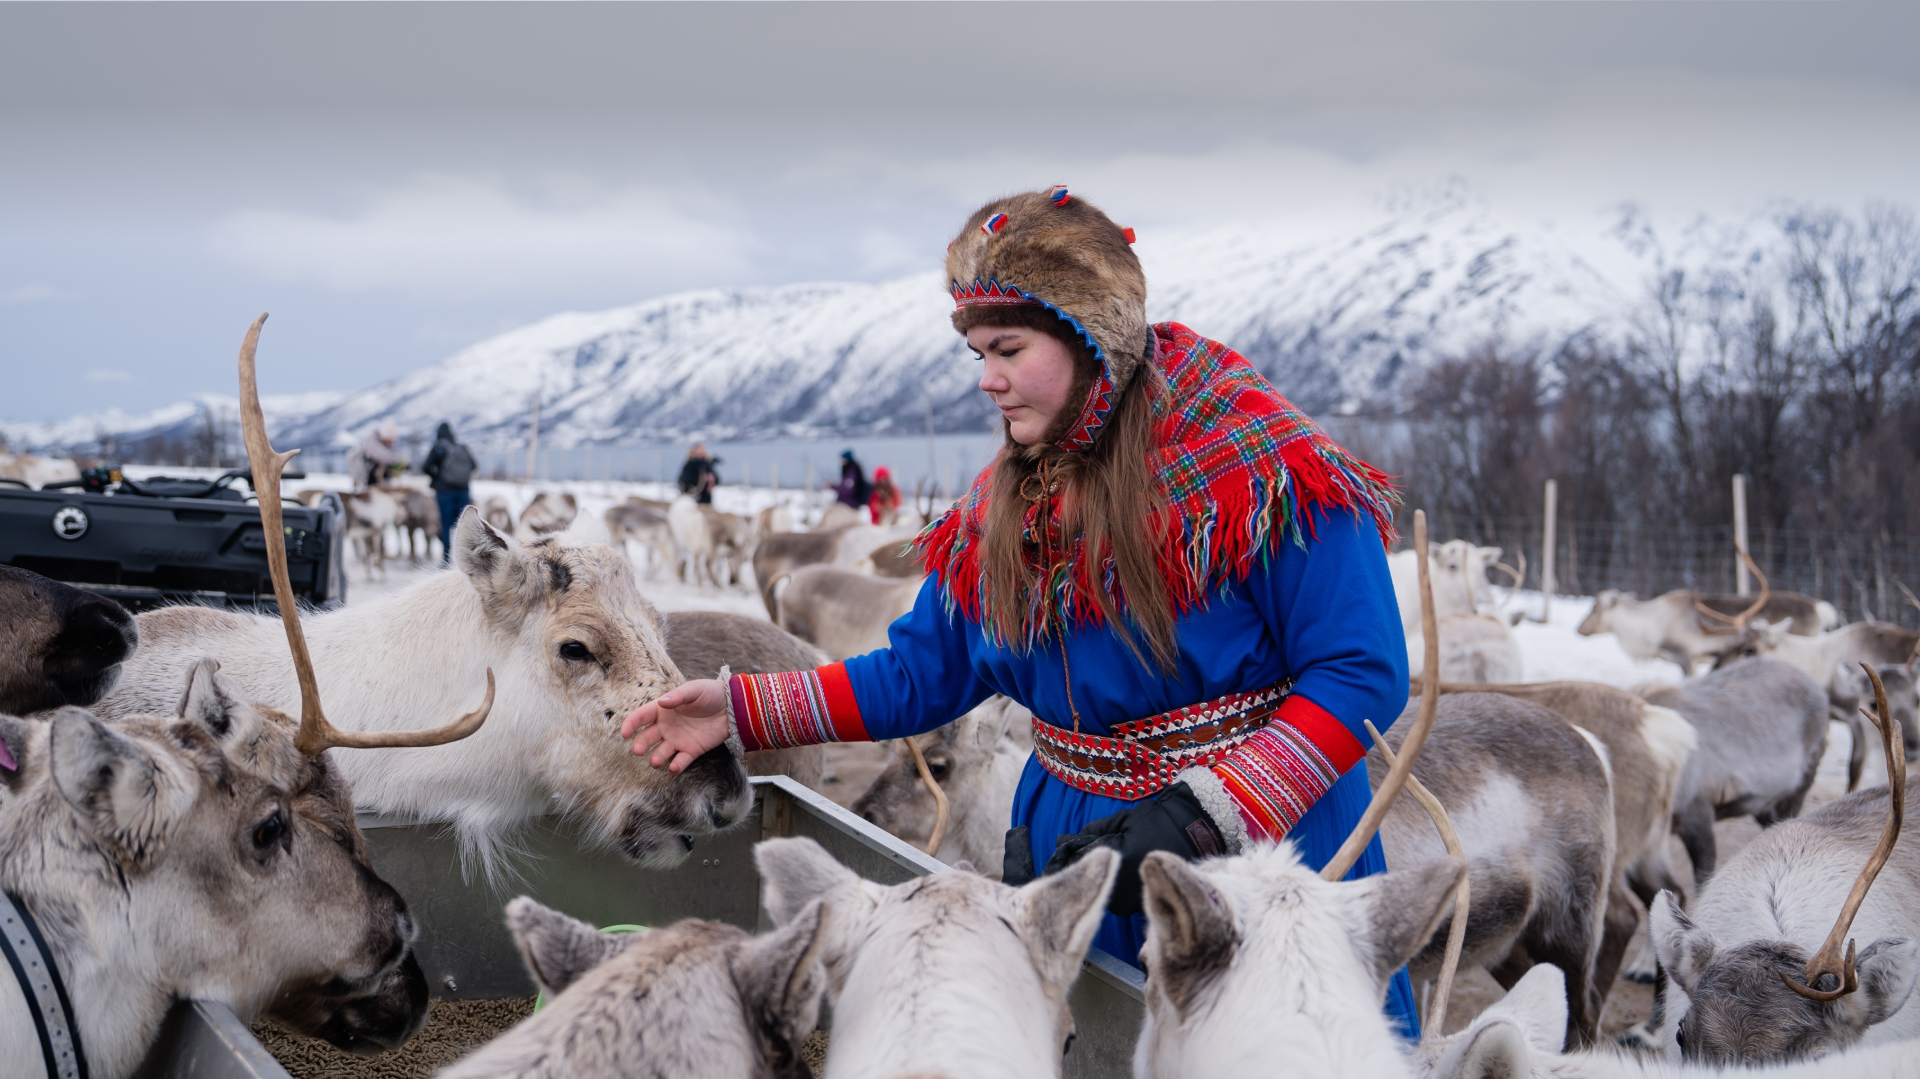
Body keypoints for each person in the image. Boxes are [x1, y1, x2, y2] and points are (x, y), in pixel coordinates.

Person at [621, 188, 1419, 1036]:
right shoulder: (1007, 504)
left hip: (1256, 853)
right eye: (977, 354)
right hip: (1079, 863)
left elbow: (1362, 669)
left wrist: (1205, 814)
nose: (990, 380)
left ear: (1091, 337)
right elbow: (922, 673)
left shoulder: (1264, 470)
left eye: (1008, 348)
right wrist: (739, 707)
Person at [421, 421, 476, 562]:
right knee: (465, 524)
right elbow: (474, 466)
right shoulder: (461, 448)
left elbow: (425, 467)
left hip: (444, 492)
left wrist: (437, 477)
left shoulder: (439, 448)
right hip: (463, 491)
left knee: (446, 526)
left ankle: (446, 559)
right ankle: (469, 559)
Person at [356, 421, 402, 490]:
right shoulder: (372, 443)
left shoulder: (384, 444)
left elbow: (394, 455)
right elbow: (387, 457)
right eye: (390, 440)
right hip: (368, 480)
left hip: (378, 481)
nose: (391, 443)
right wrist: (398, 460)